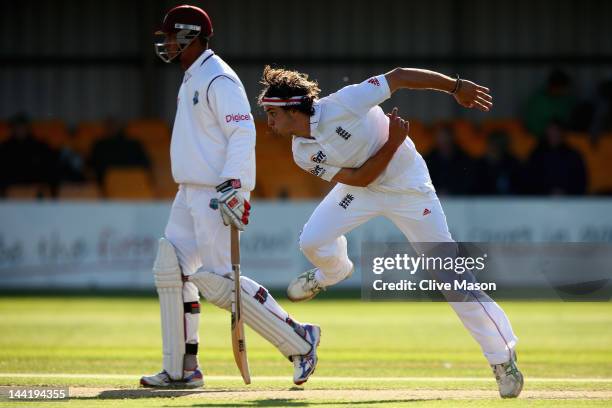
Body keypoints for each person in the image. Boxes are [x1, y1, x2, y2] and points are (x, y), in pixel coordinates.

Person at [258, 66, 524, 398]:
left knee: (451, 279)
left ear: (293, 107)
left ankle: (502, 359)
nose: (268, 121)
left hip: (408, 189)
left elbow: (398, 77)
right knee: (311, 241)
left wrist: (455, 87)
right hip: (362, 188)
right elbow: (359, 180)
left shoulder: (345, 102)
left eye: (272, 113)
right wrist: (394, 141)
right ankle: (333, 271)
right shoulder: (302, 151)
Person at [140, 5, 320, 389]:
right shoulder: (192, 77)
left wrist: (235, 186)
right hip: (188, 190)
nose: (167, 43)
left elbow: (242, 133)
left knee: (221, 283)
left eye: (172, 35)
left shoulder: (218, 78)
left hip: (215, 192)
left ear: (191, 35)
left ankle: (301, 341)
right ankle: (182, 370)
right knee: (171, 268)